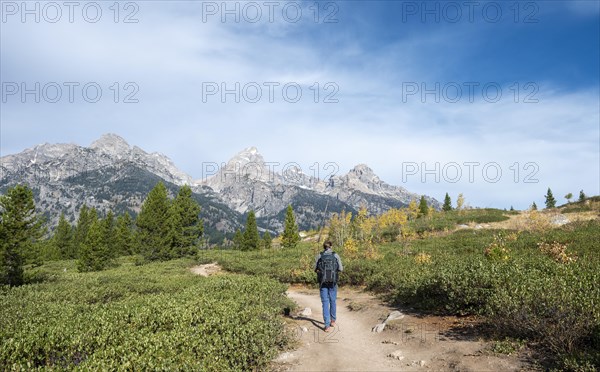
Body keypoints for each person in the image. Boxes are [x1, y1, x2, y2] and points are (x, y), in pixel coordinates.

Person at [314, 241, 343, 332]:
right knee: (333, 300)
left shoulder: (319, 255)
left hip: (323, 283)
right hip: (333, 282)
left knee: (325, 302)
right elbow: (341, 269)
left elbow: (315, 268)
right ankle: (333, 321)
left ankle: (326, 325)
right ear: (331, 246)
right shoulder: (335, 255)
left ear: (323, 247)